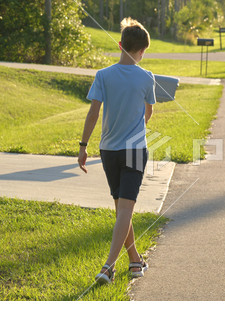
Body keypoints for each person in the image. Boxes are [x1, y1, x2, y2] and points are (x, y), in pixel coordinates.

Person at [77, 17, 156, 284]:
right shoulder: (147, 78)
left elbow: (93, 113)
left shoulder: (103, 75)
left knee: (122, 208)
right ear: (143, 50)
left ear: (120, 45)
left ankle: (135, 260)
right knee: (125, 209)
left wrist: (83, 146)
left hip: (108, 150)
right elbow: (149, 111)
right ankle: (108, 266)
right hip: (134, 149)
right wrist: (139, 126)